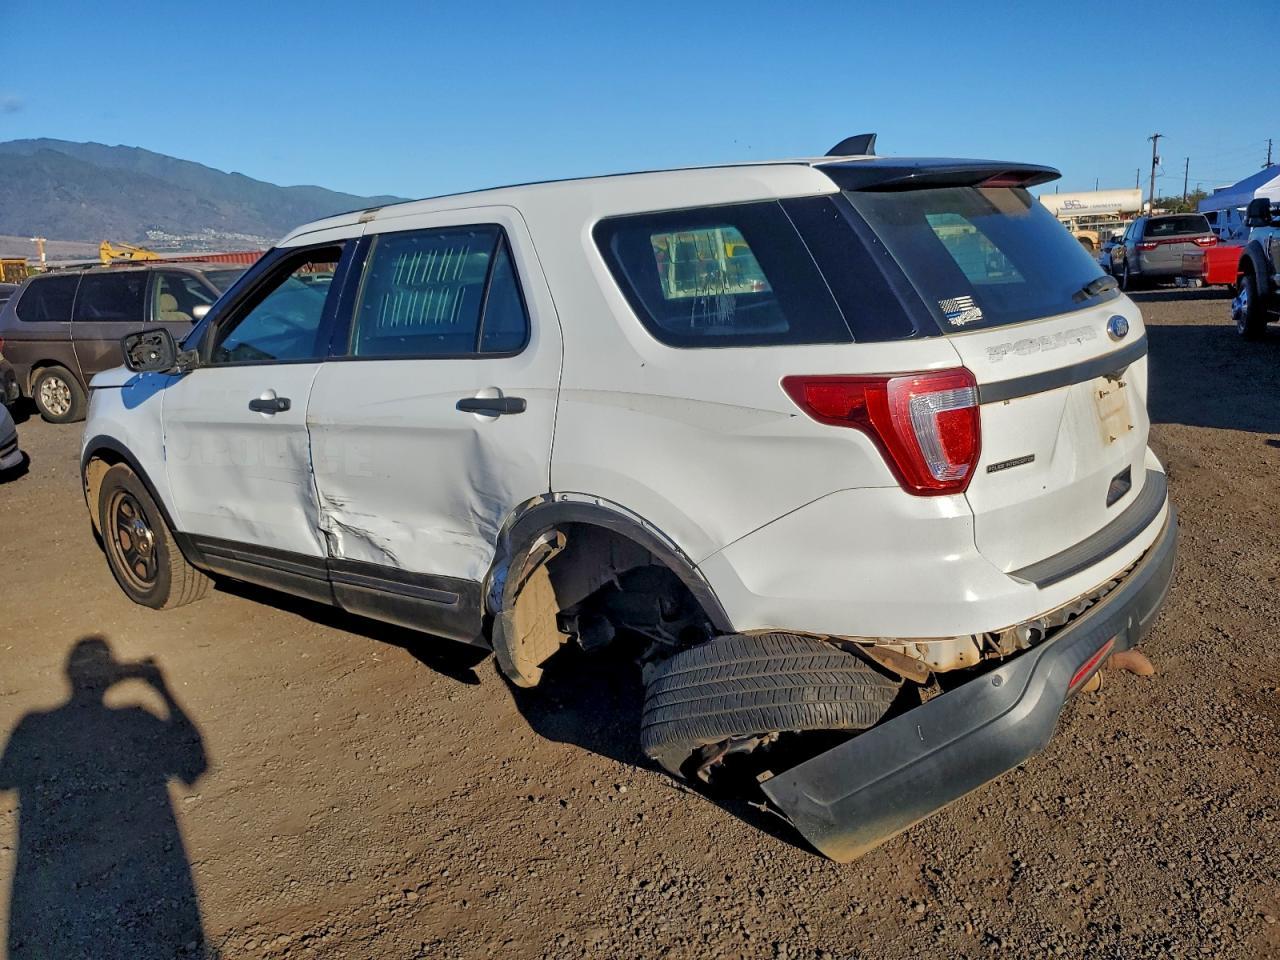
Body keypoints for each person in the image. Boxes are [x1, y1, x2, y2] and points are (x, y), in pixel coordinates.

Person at [0, 636, 208, 958]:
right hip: (150, 870)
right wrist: (161, 687)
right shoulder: (137, 718)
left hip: (53, 894)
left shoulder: (34, 725)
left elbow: (6, 780)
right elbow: (195, 766)